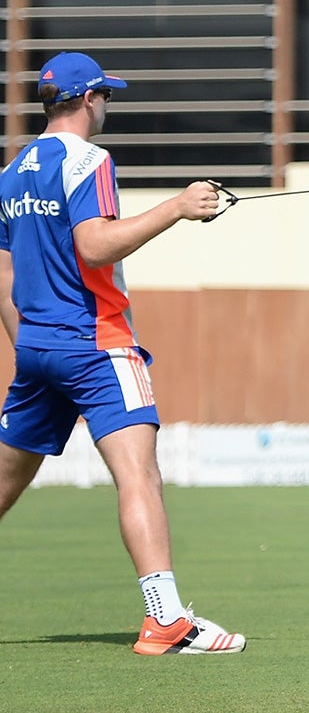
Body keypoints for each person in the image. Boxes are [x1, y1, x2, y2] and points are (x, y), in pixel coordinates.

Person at [0, 52, 244, 654]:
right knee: (139, 474)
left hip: (39, 345)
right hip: (97, 342)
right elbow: (96, 245)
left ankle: (167, 619)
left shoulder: (12, 171)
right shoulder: (91, 159)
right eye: (107, 96)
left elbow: (3, 267)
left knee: (5, 481)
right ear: (87, 99)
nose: (108, 105)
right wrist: (177, 207)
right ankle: (166, 621)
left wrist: (29, 342)